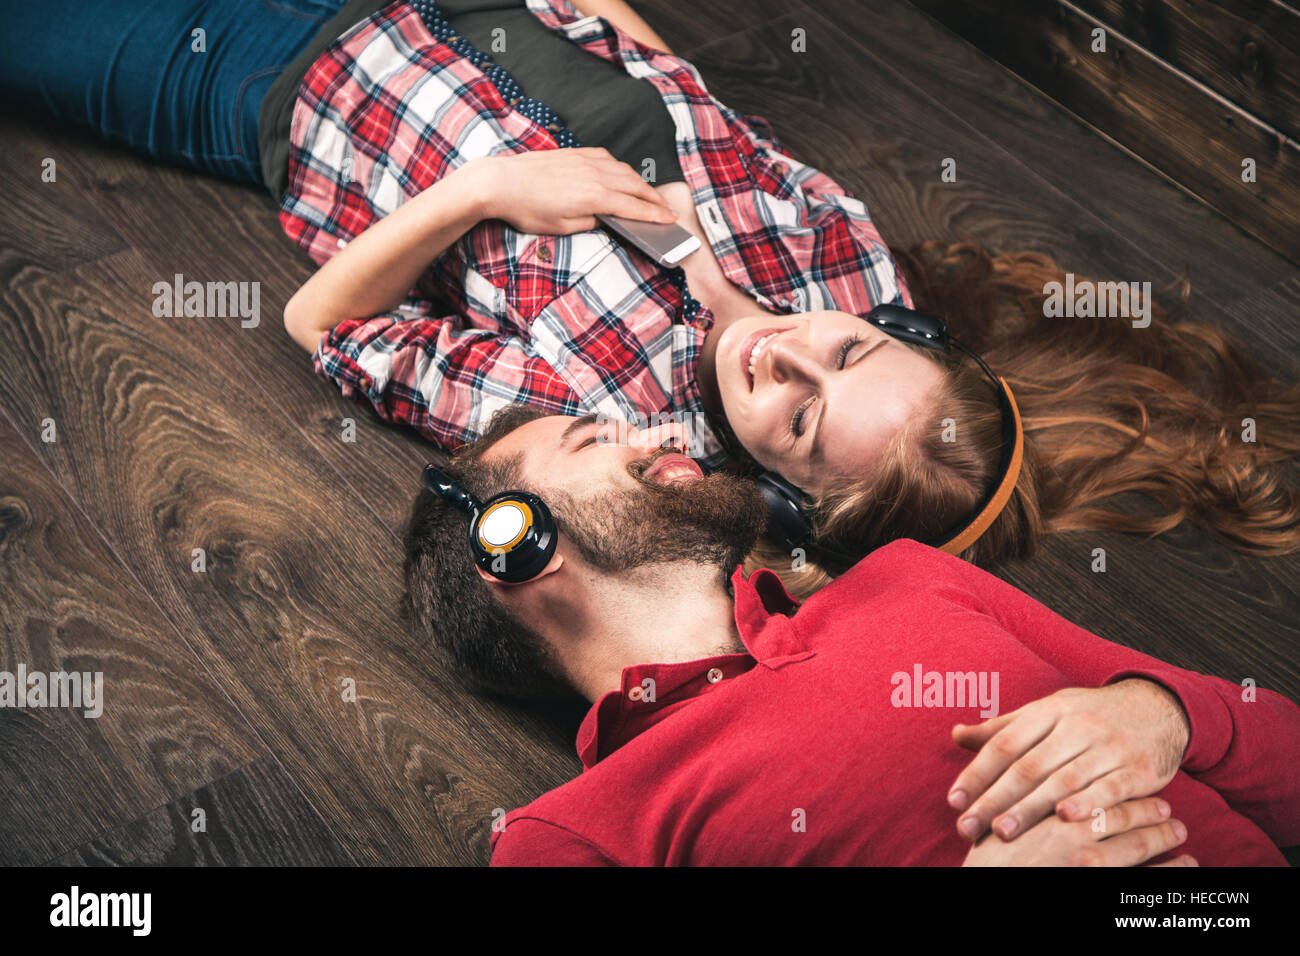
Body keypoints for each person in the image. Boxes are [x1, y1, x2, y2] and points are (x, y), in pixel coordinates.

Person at [5, 0, 1297, 597]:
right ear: (894, 323)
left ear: (784, 491)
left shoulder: (600, 412)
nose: (785, 361)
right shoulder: (850, 267)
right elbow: (681, 86)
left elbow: (324, 327)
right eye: (845, 353)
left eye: (798, 422)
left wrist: (489, 192)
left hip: (271, 74)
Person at [402, 404, 1300, 866]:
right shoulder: (575, 834)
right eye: (596, 439)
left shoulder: (904, 579)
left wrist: (1163, 715)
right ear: (513, 542)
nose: (664, 433)